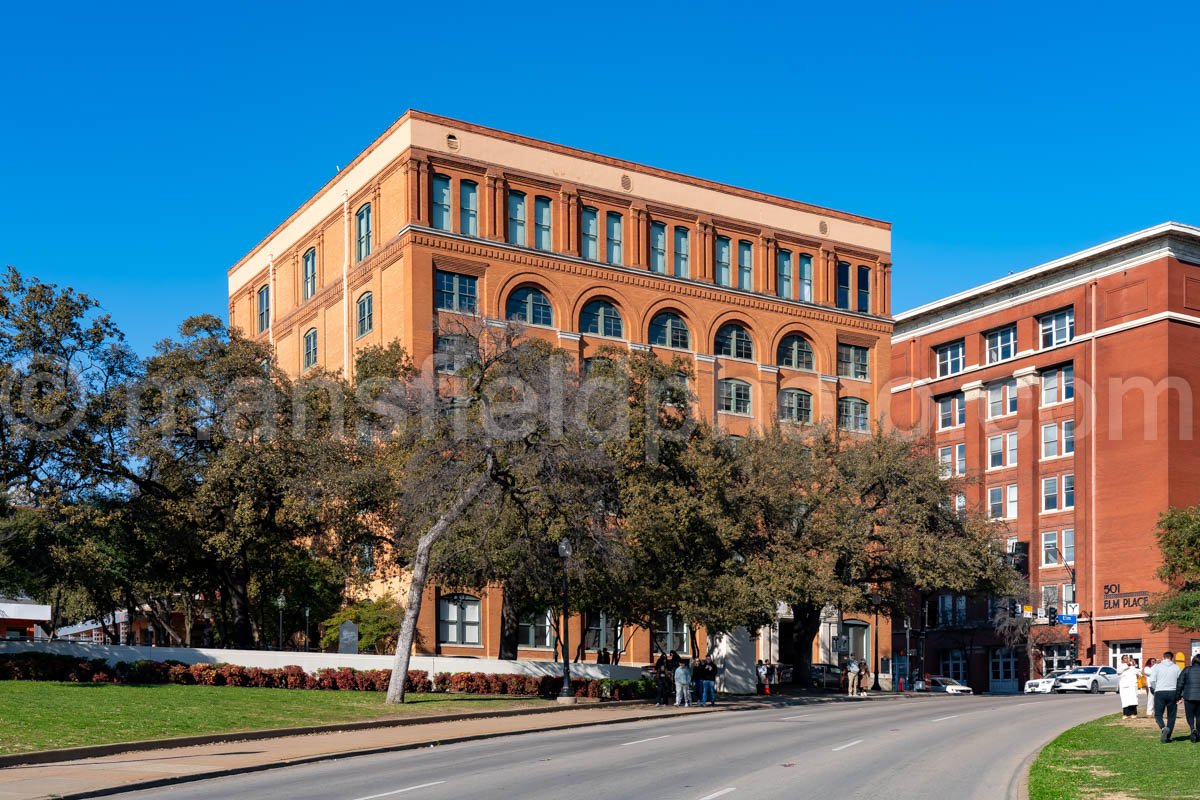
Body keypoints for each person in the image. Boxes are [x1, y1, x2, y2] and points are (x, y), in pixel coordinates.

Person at [1148, 650, 1183, 743]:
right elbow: (1180, 682)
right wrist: (1180, 694)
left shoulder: (1157, 667)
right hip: (1172, 692)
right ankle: (1168, 735)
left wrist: (1155, 690)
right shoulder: (1177, 667)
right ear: (1172, 658)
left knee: (1158, 714)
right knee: (1171, 715)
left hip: (1160, 692)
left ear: (1163, 657)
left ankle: (1163, 728)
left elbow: (1152, 681)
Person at [1176, 653, 1200, 743]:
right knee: (1199, 716)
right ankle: (1198, 731)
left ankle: (1192, 728)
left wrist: (1178, 696)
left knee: (1189, 715)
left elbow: (1180, 683)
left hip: (1189, 696)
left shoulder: (1187, 670)